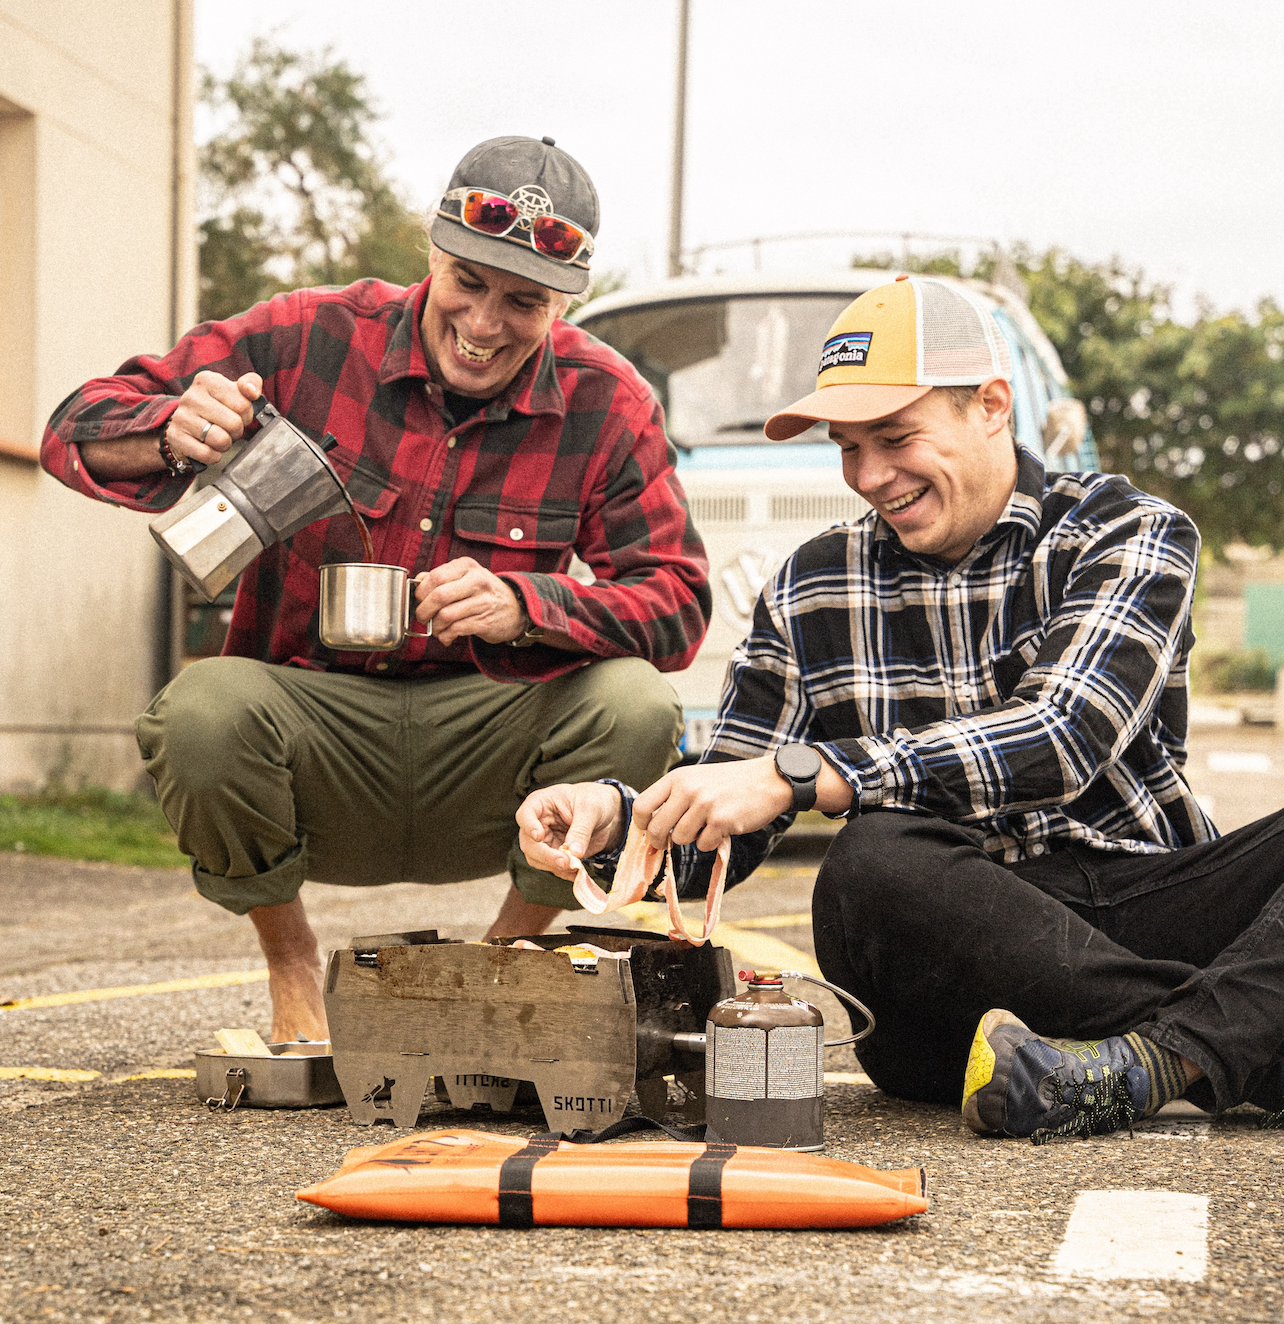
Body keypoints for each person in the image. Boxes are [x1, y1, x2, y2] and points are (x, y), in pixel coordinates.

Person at [517, 273, 1284, 1144]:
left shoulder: (1126, 531)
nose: (871, 476)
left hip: (1148, 900)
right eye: (847, 445)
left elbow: (1065, 736)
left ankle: (1146, 1065)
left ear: (991, 406)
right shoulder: (810, 584)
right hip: (949, 959)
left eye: (895, 436)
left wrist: (811, 774)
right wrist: (617, 817)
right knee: (872, 866)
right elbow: (724, 811)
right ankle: (1237, 1035)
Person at [41, 135, 710, 1044]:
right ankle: (292, 969)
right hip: (318, 738)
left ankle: (503, 965)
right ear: (432, 255)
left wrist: (530, 606)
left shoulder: (609, 401)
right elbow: (71, 431)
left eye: (524, 302)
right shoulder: (310, 335)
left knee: (636, 704)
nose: (484, 322)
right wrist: (171, 428)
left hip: (489, 744)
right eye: (468, 281)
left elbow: (677, 602)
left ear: (564, 303)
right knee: (200, 709)